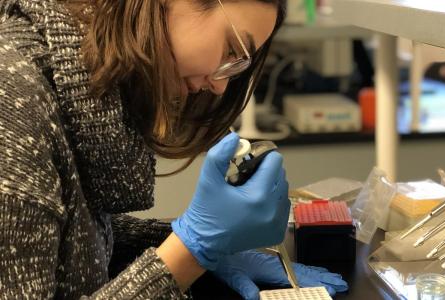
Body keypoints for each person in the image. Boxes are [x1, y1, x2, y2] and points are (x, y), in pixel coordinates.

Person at [0, 0, 348, 299]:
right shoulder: (13, 100)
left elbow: (72, 244)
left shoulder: (70, 82)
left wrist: (208, 249)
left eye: (238, 64)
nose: (219, 84)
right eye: (231, 49)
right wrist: (190, 251)